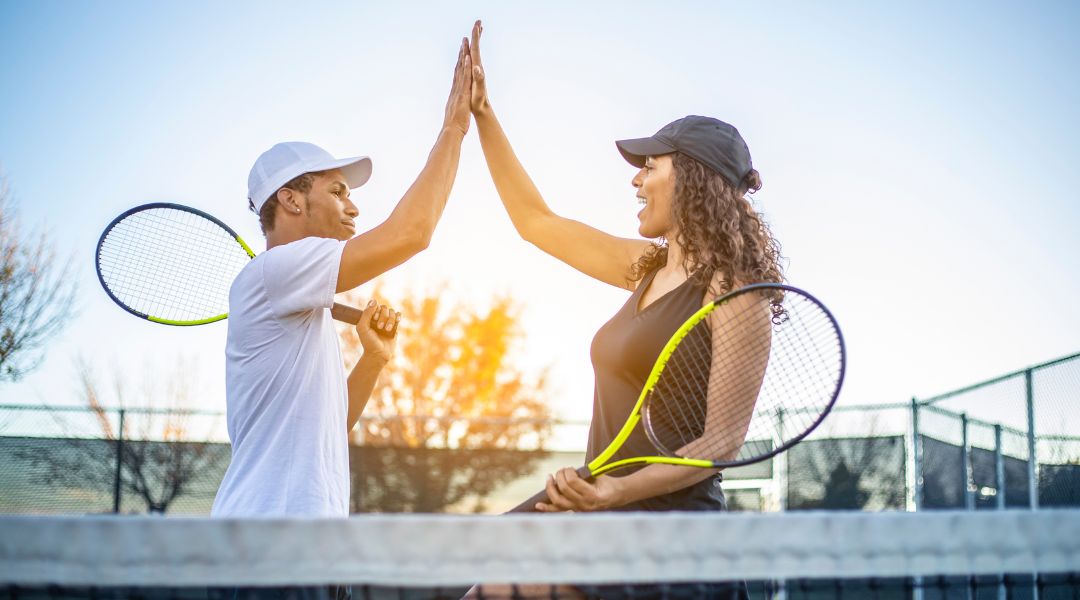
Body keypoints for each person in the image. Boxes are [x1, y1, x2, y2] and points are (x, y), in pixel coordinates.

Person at [468, 21, 784, 515]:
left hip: (668, 533)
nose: (636, 179)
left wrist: (616, 491)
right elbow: (535, 221)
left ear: (692, 179)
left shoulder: (736, 291)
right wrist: (483, 114)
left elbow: (720, 443)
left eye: (650, 166)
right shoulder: (644, 270)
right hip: (599, 507)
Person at [211, 38, 473, 521]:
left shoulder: (299, 302)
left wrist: (373, 358)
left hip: (314, 543)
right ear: (291, 200)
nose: (353, 205)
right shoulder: (275, 271)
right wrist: (454, 128)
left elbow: (328, 430)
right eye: (337, 191)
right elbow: (412, 233)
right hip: (268, 543)